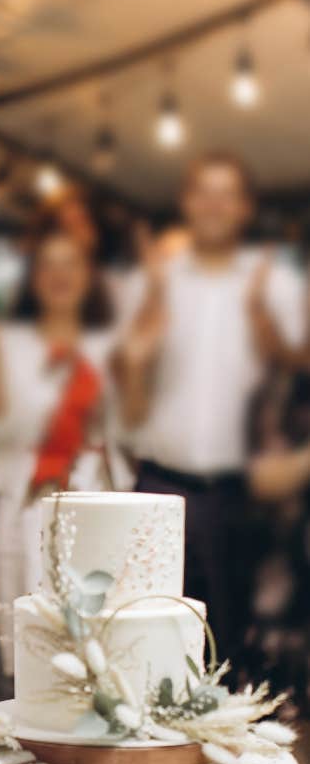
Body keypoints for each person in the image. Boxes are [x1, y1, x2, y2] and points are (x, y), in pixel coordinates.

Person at [114, 152, 306, 664]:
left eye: (228, 194)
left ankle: (218, 741)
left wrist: (273, 339)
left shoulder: (278, 287)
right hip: (156, 483)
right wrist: (136, 359)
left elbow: (298, 367)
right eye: (204, 191)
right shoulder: (152, 284)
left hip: (236, 494)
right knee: (147, 637)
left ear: (245, 207)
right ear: (186, 202)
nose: (215, 205)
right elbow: (126, 404)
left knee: (227, 642)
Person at [0, 231, 122, 676]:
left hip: (92, 494)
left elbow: (129, 428)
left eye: (71, 264)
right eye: (49, 265)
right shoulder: (11, 344)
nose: (60, 275)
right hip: (25, 498)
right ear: (34, 280)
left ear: (88, 277)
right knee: (31, 621)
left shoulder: (109, 349)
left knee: (94, 628)